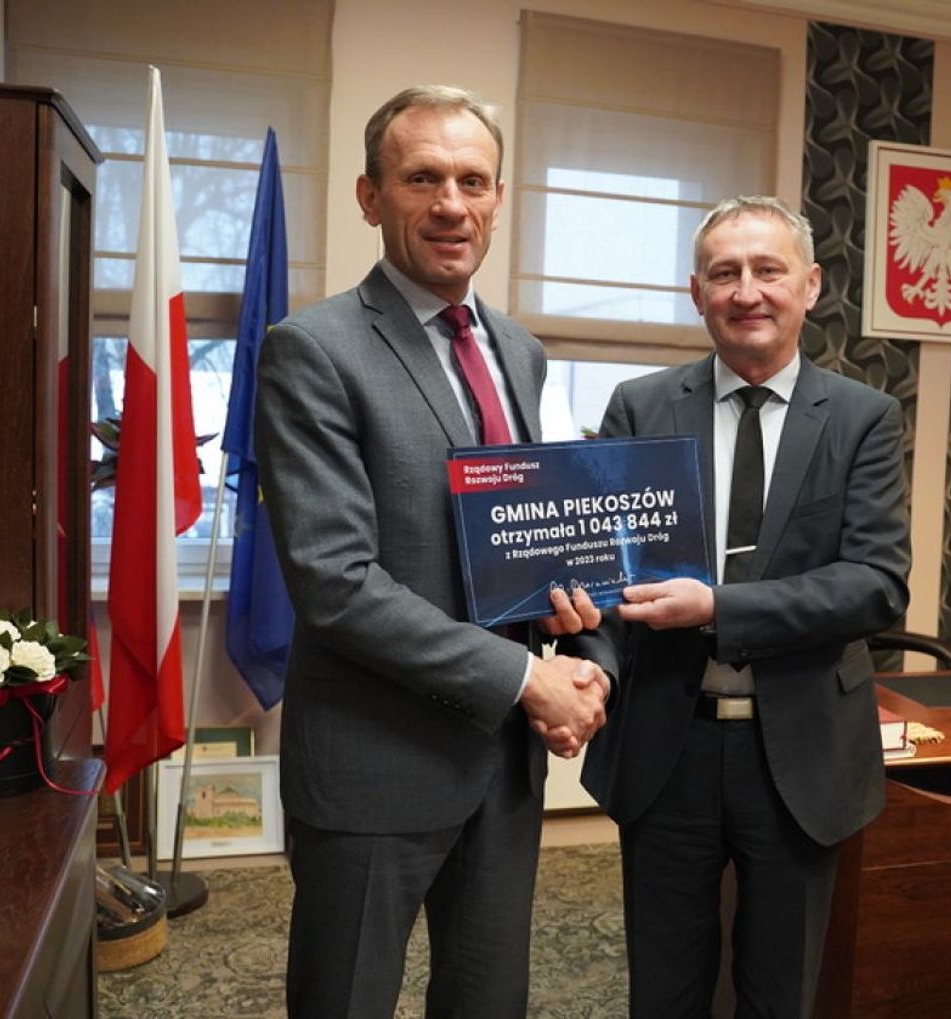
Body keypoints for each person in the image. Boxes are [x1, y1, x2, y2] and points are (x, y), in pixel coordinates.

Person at [254, 85, 609, 1018]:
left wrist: (583, 655)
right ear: (370, 196)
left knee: (489, 1001)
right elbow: (336, 584)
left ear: (497, 200)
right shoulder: (312, 350)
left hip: (503, 768)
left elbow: (544, 539)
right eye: (422, 179)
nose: (452, 203)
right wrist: (525, 680)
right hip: (374, 763)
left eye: (472, 181)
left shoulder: (522, 352)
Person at [570, 196, 912, 1017]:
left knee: (780, 992)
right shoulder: (640, 407)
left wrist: (718, 608)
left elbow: (876, 583)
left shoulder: (862, 418)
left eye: (768, 270)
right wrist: (590, 667)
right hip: (666, 744)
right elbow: (603, 572)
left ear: (810, 285)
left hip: (801, 752)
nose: (747, 291)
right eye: (725, 273)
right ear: (698, 293)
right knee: (664, 990)